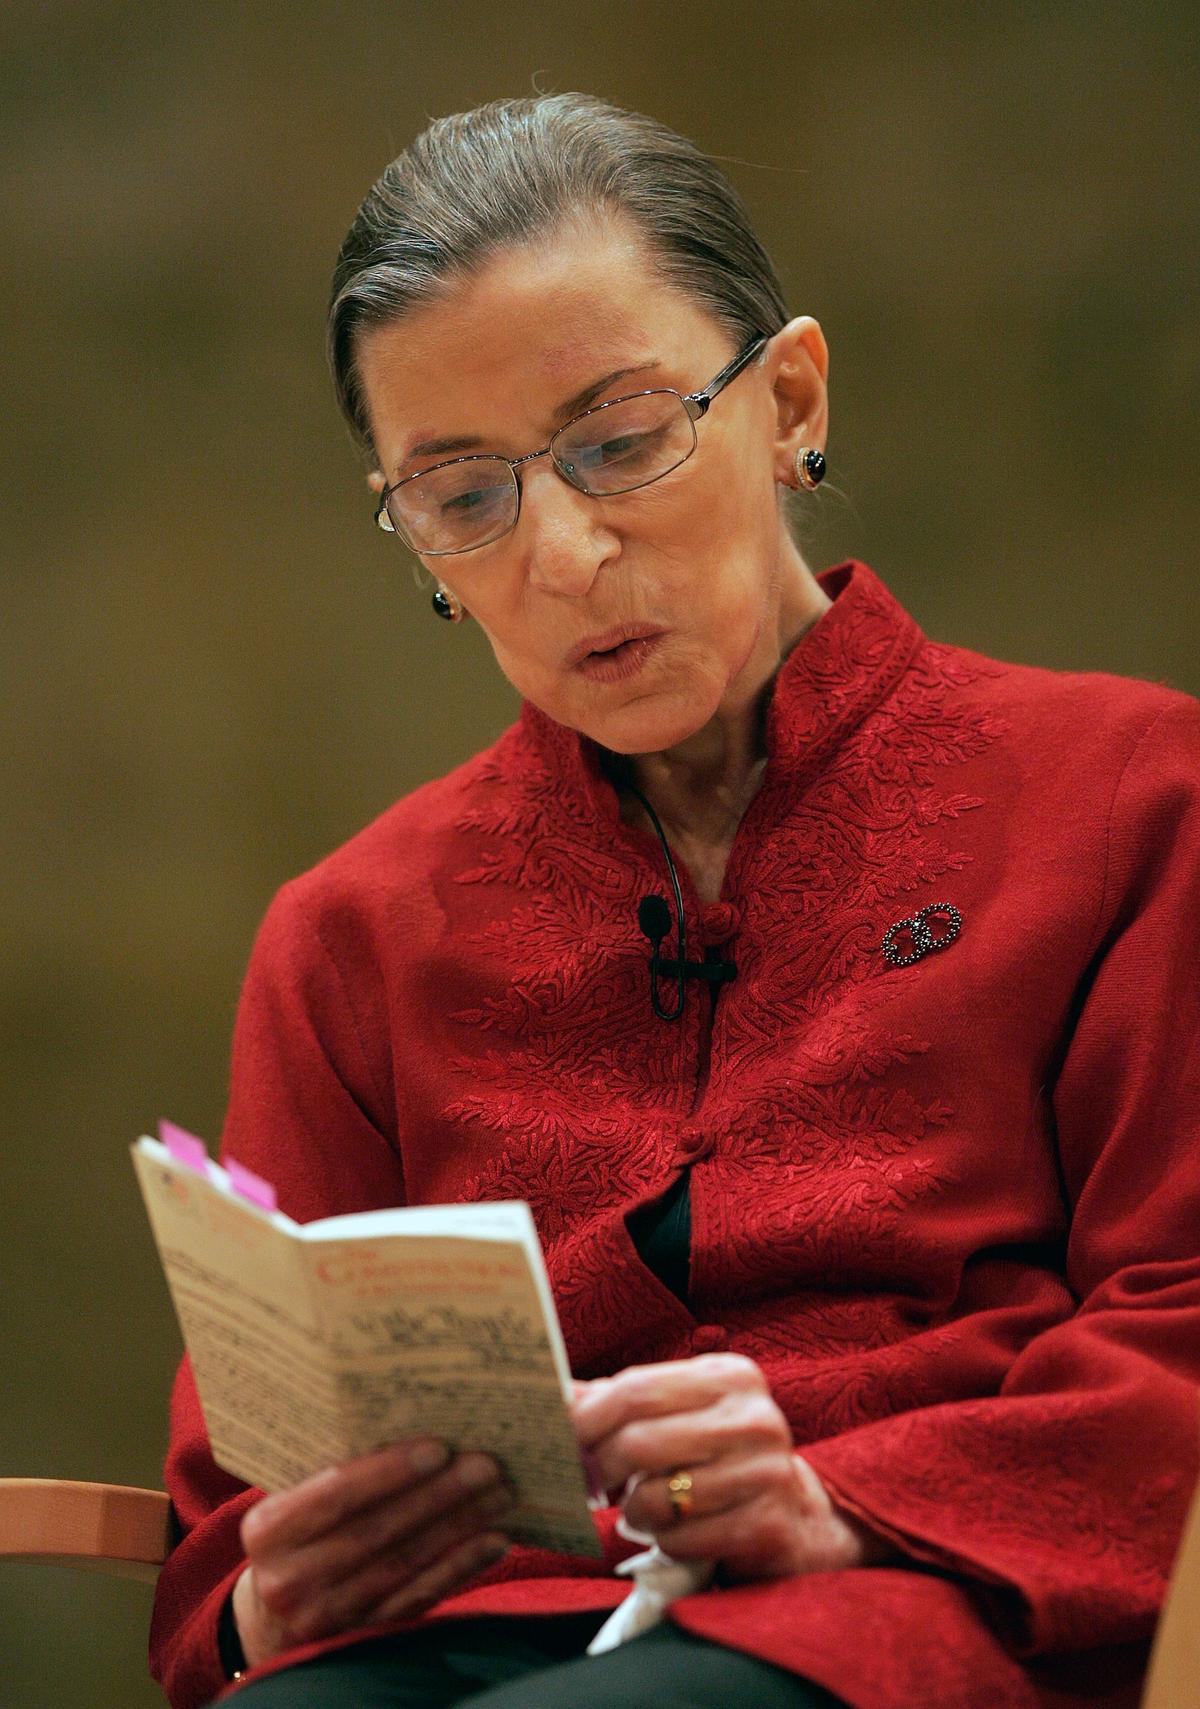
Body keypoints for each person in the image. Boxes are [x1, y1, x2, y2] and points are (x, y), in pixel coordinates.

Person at [148, 95, 1200, 1709]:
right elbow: (230, 1509)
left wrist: (853, 1502)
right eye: (462, 493)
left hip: (908, 1618)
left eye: (621, 437)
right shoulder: (352, 934)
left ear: (789, 398)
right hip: (443, 1640)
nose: (561, 551)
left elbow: (1181, 1326)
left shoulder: (1130, 797)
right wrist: (262, 1596)